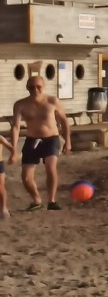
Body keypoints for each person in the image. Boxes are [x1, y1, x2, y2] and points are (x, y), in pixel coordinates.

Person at [12, 75, 72, 212]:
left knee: (51, 167)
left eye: (38, 86)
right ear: (27, 88)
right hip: (32, 140)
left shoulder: (52, 101)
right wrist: (13, 149)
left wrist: (68, 142)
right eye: (31, 87)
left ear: (43, 87)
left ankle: (51, 201)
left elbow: (64, 121)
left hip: (51, 139)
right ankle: (36, 200)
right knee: (26, 177)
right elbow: (15, 127)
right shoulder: (21, 104)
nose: (35, 89)